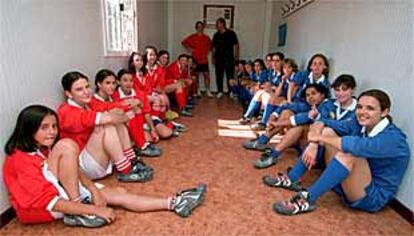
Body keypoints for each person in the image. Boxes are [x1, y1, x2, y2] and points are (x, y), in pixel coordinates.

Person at [3, 105, 207, 227]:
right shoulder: (19, 159)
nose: (52, 132)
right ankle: (79, 212)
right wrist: (91, 209)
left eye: (54, 126)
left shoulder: (42, 148)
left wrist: (93, 189)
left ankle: (174, 203)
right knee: (66, 145)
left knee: (118, 192)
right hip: (42, 210)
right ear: (28, 129)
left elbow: (72, 168)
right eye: (44, 127)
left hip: (59, 189)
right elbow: (50, 202)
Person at [269, 89, 410, 216]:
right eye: (359, 107)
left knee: (349, 152)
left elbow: (356, 146)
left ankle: (308, 198)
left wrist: (317, 138)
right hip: (351, 181)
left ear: (384, 112)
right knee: (328, 131)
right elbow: (323, 122)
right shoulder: (358, 123)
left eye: (370, 108)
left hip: (371, 196)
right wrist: (313, 143)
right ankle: (292, 178)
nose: (362, 112)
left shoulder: (394, 138)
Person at [57, 71, 153, 182]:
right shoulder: (66, 111)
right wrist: (128, 116)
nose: (86, 92)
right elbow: (108, 118)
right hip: (81, 165)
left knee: (113, 119)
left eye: (87, 87)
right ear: (69, 94)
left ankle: (131, 160)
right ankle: (126, 170)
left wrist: (129, 103)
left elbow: (108, 106)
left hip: (94, 155)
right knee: (107, 125)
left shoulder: (88, 103)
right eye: (79, 89)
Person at [182, 21, 213, 97]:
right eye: (198, 26)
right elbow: (183, 42)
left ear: (203, 27)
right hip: (195, 59)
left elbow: (211, 46)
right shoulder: (193, 36)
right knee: (196, 76)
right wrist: (189, 49)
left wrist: (207, 51)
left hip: (204, 59)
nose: (200, 28)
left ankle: (208, 90)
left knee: (206, 75)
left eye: (201, 26)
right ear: (196, 28)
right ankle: (197, 90)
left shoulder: (206, 37)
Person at [212, 17, 239, 99]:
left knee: (230, 75)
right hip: (218, 58)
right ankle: (220, 91)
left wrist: (236, 56)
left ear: (223, 24)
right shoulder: (216, 35)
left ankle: (231, 91)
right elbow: (213, 47)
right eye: (216, 24)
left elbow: (236, 45)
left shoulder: (231, 33)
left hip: (229, 58)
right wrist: (213, 57)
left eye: (218, 23)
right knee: (218, 75)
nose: (217, 25)